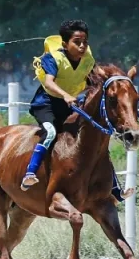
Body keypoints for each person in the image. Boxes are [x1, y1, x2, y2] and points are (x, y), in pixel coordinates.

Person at [21, 20, 127, 203]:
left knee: (95, 138)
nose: (82, 46)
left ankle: (115, 188)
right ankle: (29, 173)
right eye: (77, 42)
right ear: (65, 44)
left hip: (69, 106)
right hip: (46, 105)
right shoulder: (53, 58)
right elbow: (49, 83)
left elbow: (95, 79)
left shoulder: (88, 61)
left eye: (85, 41)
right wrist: (66, 95)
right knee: (51, 132)